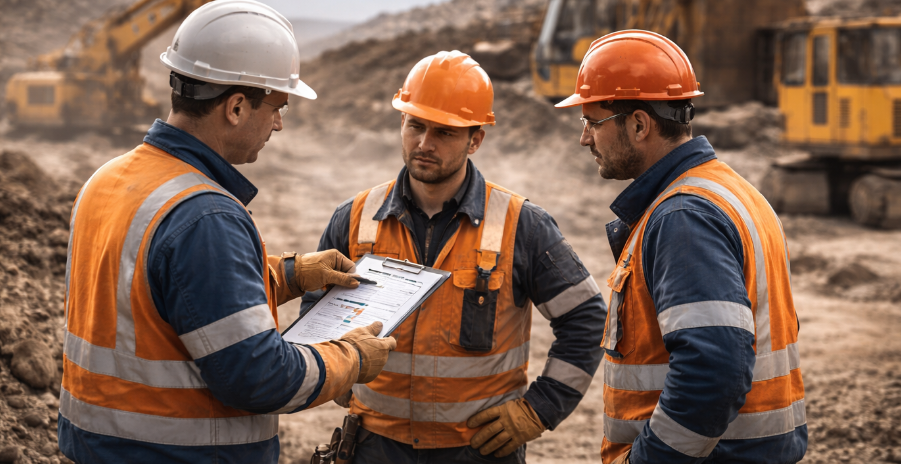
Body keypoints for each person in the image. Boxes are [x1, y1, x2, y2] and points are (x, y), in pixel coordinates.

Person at [58, 2, 395, 462]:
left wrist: (290, 275)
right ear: (236, 107)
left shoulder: (109, 179)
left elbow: (167, 292)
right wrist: (350, 359)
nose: (278, 122)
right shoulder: (205, 216)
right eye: (278, 105)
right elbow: (259, 376)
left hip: (99, 446)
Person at [300, 50, 607, 464]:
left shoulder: (522, 225)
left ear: (475, 139)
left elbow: (585, 318)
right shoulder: (354, 219)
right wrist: (335, 375)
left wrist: (539, 411)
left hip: (478, 450)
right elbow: (315, 312)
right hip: (375, 446)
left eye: (444, 132)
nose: (424, 144)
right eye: (415, 126)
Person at [554, 30, 806, 463]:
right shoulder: (729, 190)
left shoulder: (682, 217)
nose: (584, 139)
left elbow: (714, 370)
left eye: (592, 122)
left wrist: (649, 459)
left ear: (638, 124)